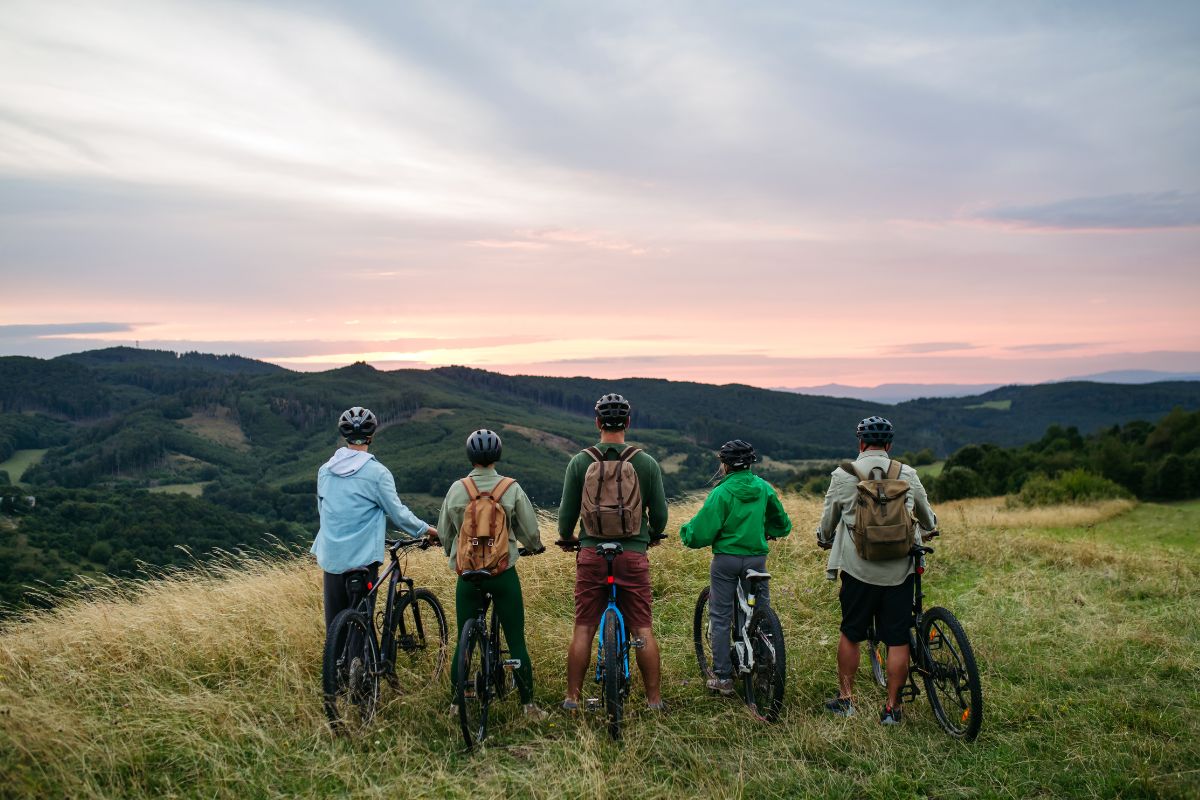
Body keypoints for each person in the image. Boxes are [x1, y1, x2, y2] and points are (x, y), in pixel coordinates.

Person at [816, 415, 937, 725]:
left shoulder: (844, 476)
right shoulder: (906, 473)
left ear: (860, 443)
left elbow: (828, 521)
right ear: (889, 445)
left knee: (851, 632)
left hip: (859, 571)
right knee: (897, 638)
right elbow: (925, 515)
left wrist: (825, 539)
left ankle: (846, 700)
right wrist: (931, 528)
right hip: (900, 571)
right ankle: (893, 709)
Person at [556, 393, 669, 712]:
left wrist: (567, 538)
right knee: (642, 627)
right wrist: (653, 534)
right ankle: (654, 701)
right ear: (628, 423)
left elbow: (566, 517)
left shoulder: (580, 462)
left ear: (597, 423)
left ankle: (572, 699)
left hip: (592, 554)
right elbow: (660, 515)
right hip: (632, 555)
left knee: (584, 628)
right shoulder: (646, 463)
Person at [438, 428, 547, 720]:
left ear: (470, 456)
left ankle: (456, 705)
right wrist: (534, 547)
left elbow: (445, 534)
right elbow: (529, 532)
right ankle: (528, 707)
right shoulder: (510, 488)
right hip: (502, 573)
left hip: (468, 575)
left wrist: (452, 552)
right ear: (497, 455)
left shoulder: (457, 489)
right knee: (516, 640)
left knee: (464, 641)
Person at [679, 439, 792, 695]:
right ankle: (765, 671)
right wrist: (769, 532)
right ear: (751, 463)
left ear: (725, 465)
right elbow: (781, 523)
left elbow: (701, 532)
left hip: (726, 561)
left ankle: (723, 677)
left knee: (720, 616)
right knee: (761, 612)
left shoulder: (721, 492)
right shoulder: (764, 488)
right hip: (756, 559)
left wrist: (686, 533)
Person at [312, 406, 437, 628]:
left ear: (345, 436)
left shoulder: (325, 470)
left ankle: (336, 663)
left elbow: (323, 511)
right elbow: (398, 514)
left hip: (331, 556)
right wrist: (428, 530)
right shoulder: (377, 473)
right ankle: (359, 662)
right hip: (361, 559)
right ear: (371, 436)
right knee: (361, 625)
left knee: (335, 629)